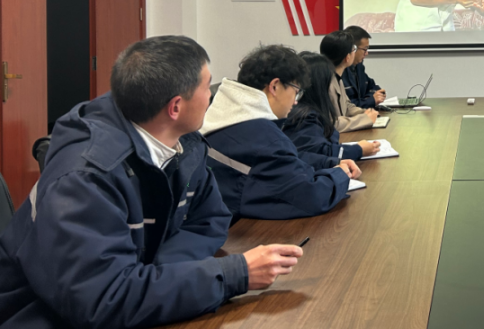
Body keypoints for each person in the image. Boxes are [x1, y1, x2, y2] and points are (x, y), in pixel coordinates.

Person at [0, 36, 304, 328]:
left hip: (126, 304)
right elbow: (104, 300)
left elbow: (210, 217)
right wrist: (233, 274)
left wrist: (158, 275)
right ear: (175, 107)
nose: (211, 95)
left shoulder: (184, 143)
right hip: (44, 317)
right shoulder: (85, 178)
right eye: (206, 86)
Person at [201, 44, 357, 221]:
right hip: (238, 229)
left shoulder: (223, 116)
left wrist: (330, 163)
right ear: (275, 86)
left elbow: (286, 160)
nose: (296, 102)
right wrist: (340, 174)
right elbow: (310, 196)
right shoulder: (263, 136)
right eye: (296, 92)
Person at [285, 52, 381, 162]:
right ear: (320, 84)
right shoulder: (305, 117)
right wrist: (359, 149)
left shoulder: (309, 111)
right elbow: (322, 153)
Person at [321, 31, 379, 132]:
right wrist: (364, 119)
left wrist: (366, 113)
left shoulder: (337, 78)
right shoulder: (325, 82)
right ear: (347, 57)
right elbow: (331, 124)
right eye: (354, 49)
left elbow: (347, 106)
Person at [342, 25, 385, 109]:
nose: (366, 53)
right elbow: (345, 106)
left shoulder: (358, 66)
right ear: (353, 48)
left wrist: (371, 98)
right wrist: (370, 101)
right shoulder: (338, 70)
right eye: (365, 49)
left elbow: (373, 87)